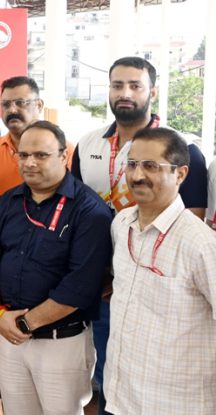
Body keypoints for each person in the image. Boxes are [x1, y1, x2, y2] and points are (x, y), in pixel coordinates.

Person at [71, 56, 208, 414]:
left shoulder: (184, 149)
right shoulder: (87, 146)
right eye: (117, 85)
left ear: (153, 91)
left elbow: (185, 222)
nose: (125, 93)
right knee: (109, 372)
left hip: (168, 305)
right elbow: (78, 215)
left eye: (135, 85)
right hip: (106, 290)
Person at [0, 121, 112, 415]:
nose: (29, 163)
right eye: (23, 155)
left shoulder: (90, 210)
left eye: (41, 155)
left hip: (60, 344)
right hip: (9, 338)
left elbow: (80, 286)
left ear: (64, 156)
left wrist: (24, 324)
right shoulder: (8, 201)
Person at [104, 127, 216, 414]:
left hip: (176, 402)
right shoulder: (122, 224)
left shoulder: (200, 243)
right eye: (132, 164)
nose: (137, 175)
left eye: (151, 166)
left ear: (180, 174)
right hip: (121, 396)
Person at [0, 76, 74, 208]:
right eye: (6, 104)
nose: (12, 110)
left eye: (20, 103)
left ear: (39, 105)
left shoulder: (65, 151)